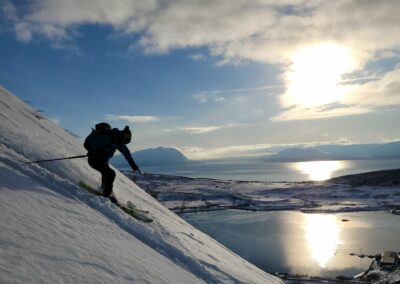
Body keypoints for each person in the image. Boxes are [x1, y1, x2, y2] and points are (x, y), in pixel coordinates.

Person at [84, 123, 139, 204]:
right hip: (94, 160)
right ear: (123, 136)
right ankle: (106, 197)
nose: (123, 143)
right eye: (124, 141)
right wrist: (93, 151)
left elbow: (126, 153)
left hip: (102, 161)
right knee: (111, 174)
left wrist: (133, 165)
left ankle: (104, 191)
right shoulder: (109, 137)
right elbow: (88, 143)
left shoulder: (118, 141)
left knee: (106, 174)